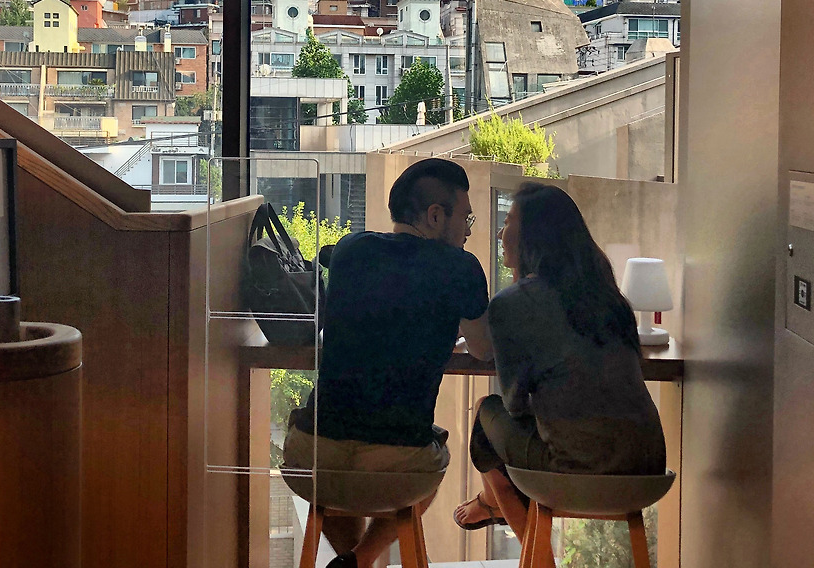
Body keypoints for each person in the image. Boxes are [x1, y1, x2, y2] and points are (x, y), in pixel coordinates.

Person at [283, 158, 493, 568]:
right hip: (401, 466)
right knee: (434, 453)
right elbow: (484, 349)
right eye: (465, 218)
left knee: (338, 481)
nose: (468, 231)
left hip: (312, 457)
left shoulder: (349, 249)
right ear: (435, 216)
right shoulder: (460, 267)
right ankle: (361, 560)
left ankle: (351, 562)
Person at [453, 183, 666, 538]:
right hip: (649, 468)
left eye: (508, 222)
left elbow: (514, 405)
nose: (501, 234)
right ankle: (490, 503)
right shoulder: (609, 299)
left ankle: (505, 518)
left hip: (578, 473)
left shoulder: (512, 303)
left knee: (485, 413)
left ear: (532, 236)